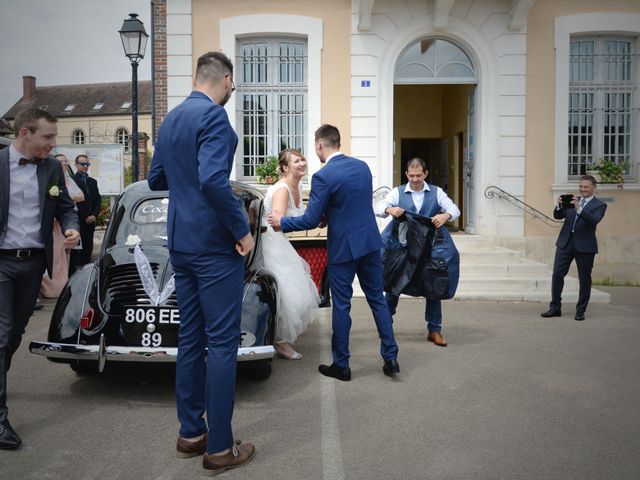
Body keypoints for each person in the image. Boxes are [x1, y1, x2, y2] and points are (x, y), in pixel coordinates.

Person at [147, 51, 256, 474]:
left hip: (181, 244)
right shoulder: (214, 119)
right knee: (223, 342)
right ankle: (221, 448)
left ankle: (191, 433)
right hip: (213, 245)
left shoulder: (172, 119)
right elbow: (213, 180)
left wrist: (186, 187)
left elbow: (157, 179)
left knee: (191, 338)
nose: (232, 90)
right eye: (233, 85)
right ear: (226, 80)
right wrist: (241, 230)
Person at [269, 124, 399, 382]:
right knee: (377, 300)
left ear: (320, 145)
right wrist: (330, 214)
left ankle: (342, 365)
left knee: (342, 305)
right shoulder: (362, 167)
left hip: (344, 248)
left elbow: (310, 220)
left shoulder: (323, 176)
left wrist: (282, 223)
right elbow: (351, 202)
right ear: (338, 142)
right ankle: (391, 358)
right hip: (370, 243)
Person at [0, 107, 80, 450]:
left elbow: (64, 205)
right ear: (24, 134)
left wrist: (72, 226)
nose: (52, 143)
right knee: (2, 333)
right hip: (1, 262)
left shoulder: (50, 168)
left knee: (15, 333)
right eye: (47, 136)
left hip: (33, 263)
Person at [375, 157, 460, 347]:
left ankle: (434, 330)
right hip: (402, 248)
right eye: (411, 176)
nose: (415, 179)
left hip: (428, 248)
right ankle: (386, 327)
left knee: (433, 287)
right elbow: (378, 208)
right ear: (406, 174)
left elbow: (454, 209)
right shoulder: (397, 193)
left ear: (425, 174)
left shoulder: (437, 193)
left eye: (418, 175)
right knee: (393, 285)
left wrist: (445, 215)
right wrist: (390, 209)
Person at [261, 149, 320, 360]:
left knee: (294, 290)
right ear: (285, 168)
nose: (302, 163)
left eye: (303, 159)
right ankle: (280, 342)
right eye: (297, 161)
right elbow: (277, 221)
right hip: (271, 243)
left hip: (279, 242)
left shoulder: (298, 186)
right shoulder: (283, 189)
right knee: (286, 292)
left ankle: (280, 339)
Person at [541, 175, 607, 321]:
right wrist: (558, 205)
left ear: (594, 188)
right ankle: (555, 308)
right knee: (557, 275)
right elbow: (558, 216)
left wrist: (579, 209)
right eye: (581, 187)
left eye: (586, 187)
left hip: (585, 246)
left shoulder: (600, 205)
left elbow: (594, 220)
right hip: (565, 243)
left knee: (584, 279)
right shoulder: (572, 200)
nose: (582, 190)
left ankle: (580, 311)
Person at [40, 154, 85, 298]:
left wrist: (66, 197)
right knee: (55, 255)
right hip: (51, 223)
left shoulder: (68, 180)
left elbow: (80, 197)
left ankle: (59, 284)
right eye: (61, 161)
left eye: (66, 161)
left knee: (62, 255)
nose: (64, 164)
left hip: (62, 223)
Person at [72, 154, 101, 268]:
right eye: (82, 164)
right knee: (77, 247)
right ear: (76, 165)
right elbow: (76, 201)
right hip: (79, 219)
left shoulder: (92, 181)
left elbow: (98, 199)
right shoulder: (72, 181)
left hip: (91, 220)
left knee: (88, 245)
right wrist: (85, 217)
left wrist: (94, 215)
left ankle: (87, 267)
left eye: (87, 164)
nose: (85, 166)